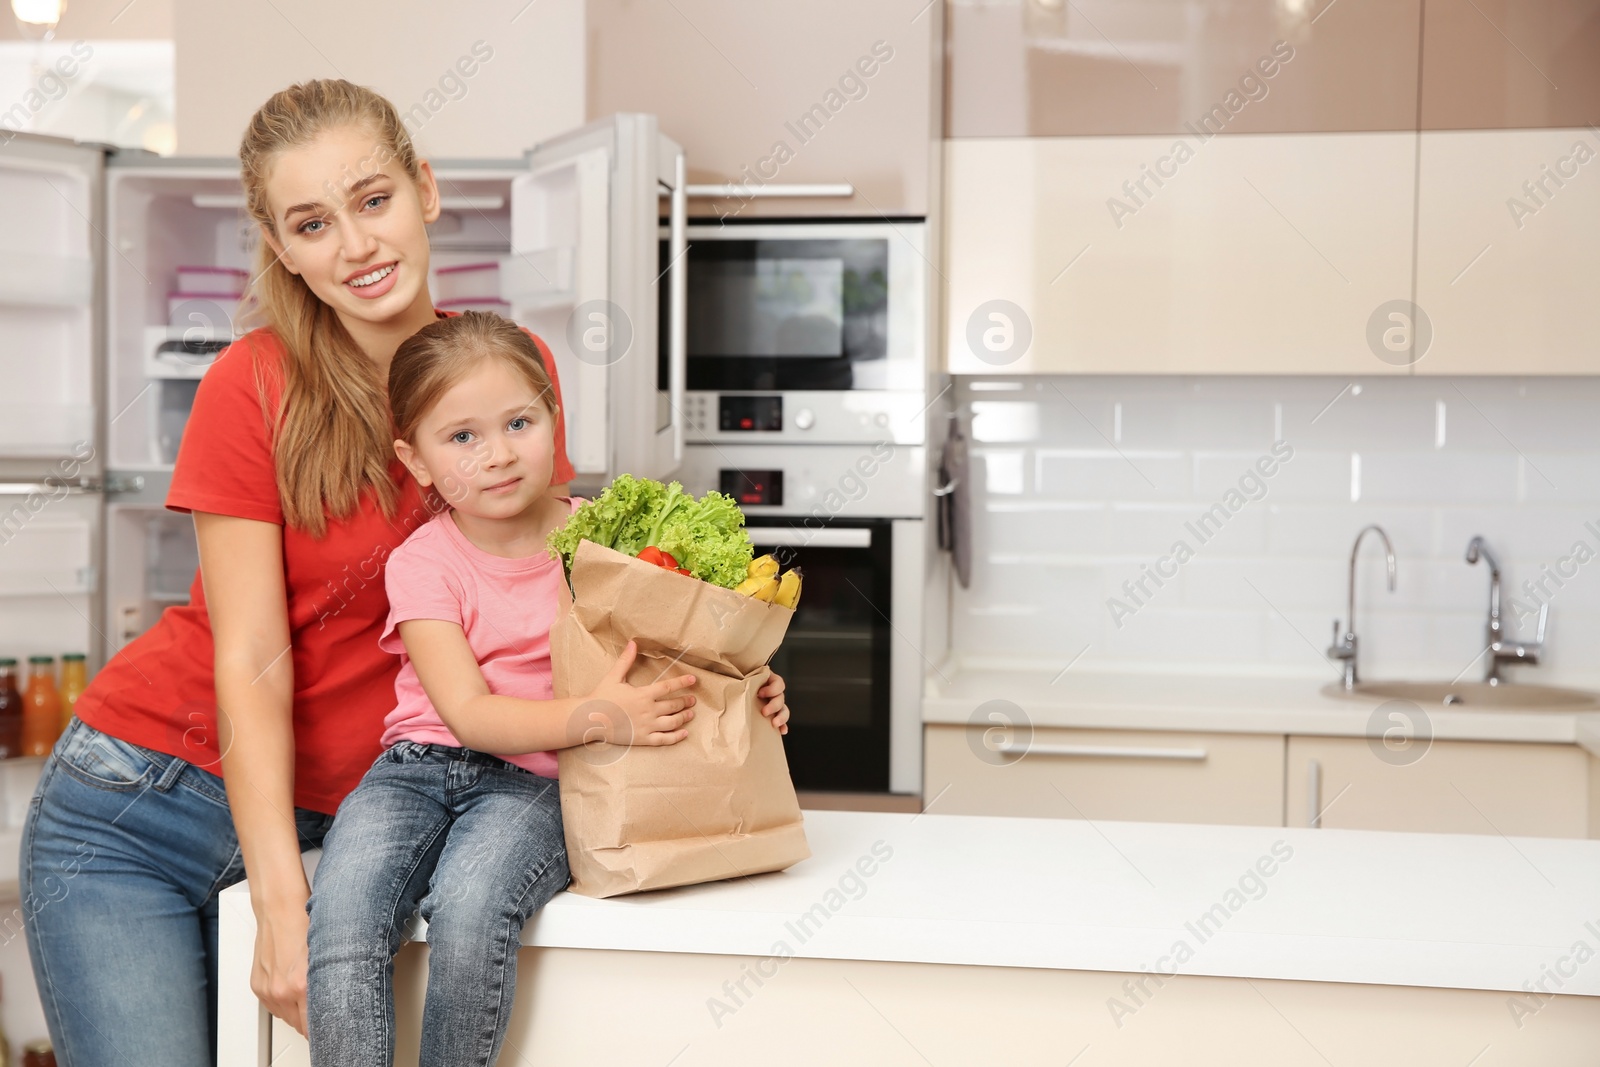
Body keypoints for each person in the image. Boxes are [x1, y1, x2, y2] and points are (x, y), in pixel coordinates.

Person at [16, 79, 790, 1063]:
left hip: (361, 808)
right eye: (312, 223)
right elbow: (252, 656)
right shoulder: (250, 385)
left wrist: (720, 677)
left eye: (372, 199)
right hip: (143, 803)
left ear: (424, 188)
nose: (355, 245)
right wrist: (284, 902)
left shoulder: (510, 367)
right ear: (281, 245)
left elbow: (566, 594)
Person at [306, 312, 787, 1065]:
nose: (496, 455)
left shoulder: (605, 545)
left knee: (471, 911)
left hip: (534, 787)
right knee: (343, 916)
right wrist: (601, 714)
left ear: (552, 419)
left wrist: (755, 688)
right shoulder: (421, 562)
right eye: (461, 437)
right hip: (412, 772)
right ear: (418, 459)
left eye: (518, 422)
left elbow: (683, 654)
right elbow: (465, 714)